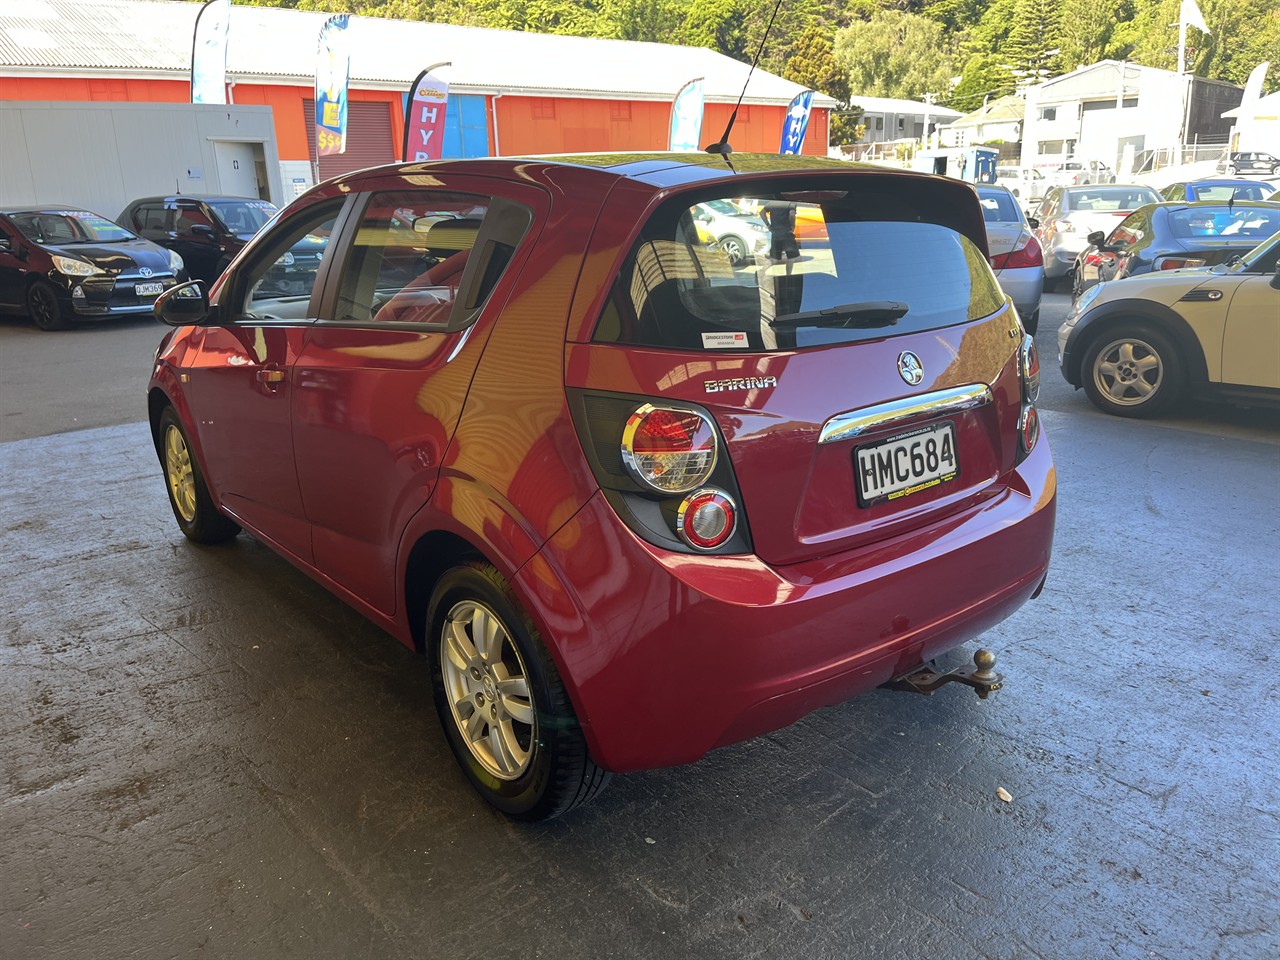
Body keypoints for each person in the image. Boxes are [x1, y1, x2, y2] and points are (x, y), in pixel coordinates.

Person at [760, 199, 799, 267]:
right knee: (791, 258)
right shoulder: (790, 202)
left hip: (776, 233)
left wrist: (768, 225)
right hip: (787, 233)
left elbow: (762, 213)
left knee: (774, 258)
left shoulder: (772, 203)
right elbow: (792, 214)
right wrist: (792, 226)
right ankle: (788, 273)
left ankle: (762, 270)